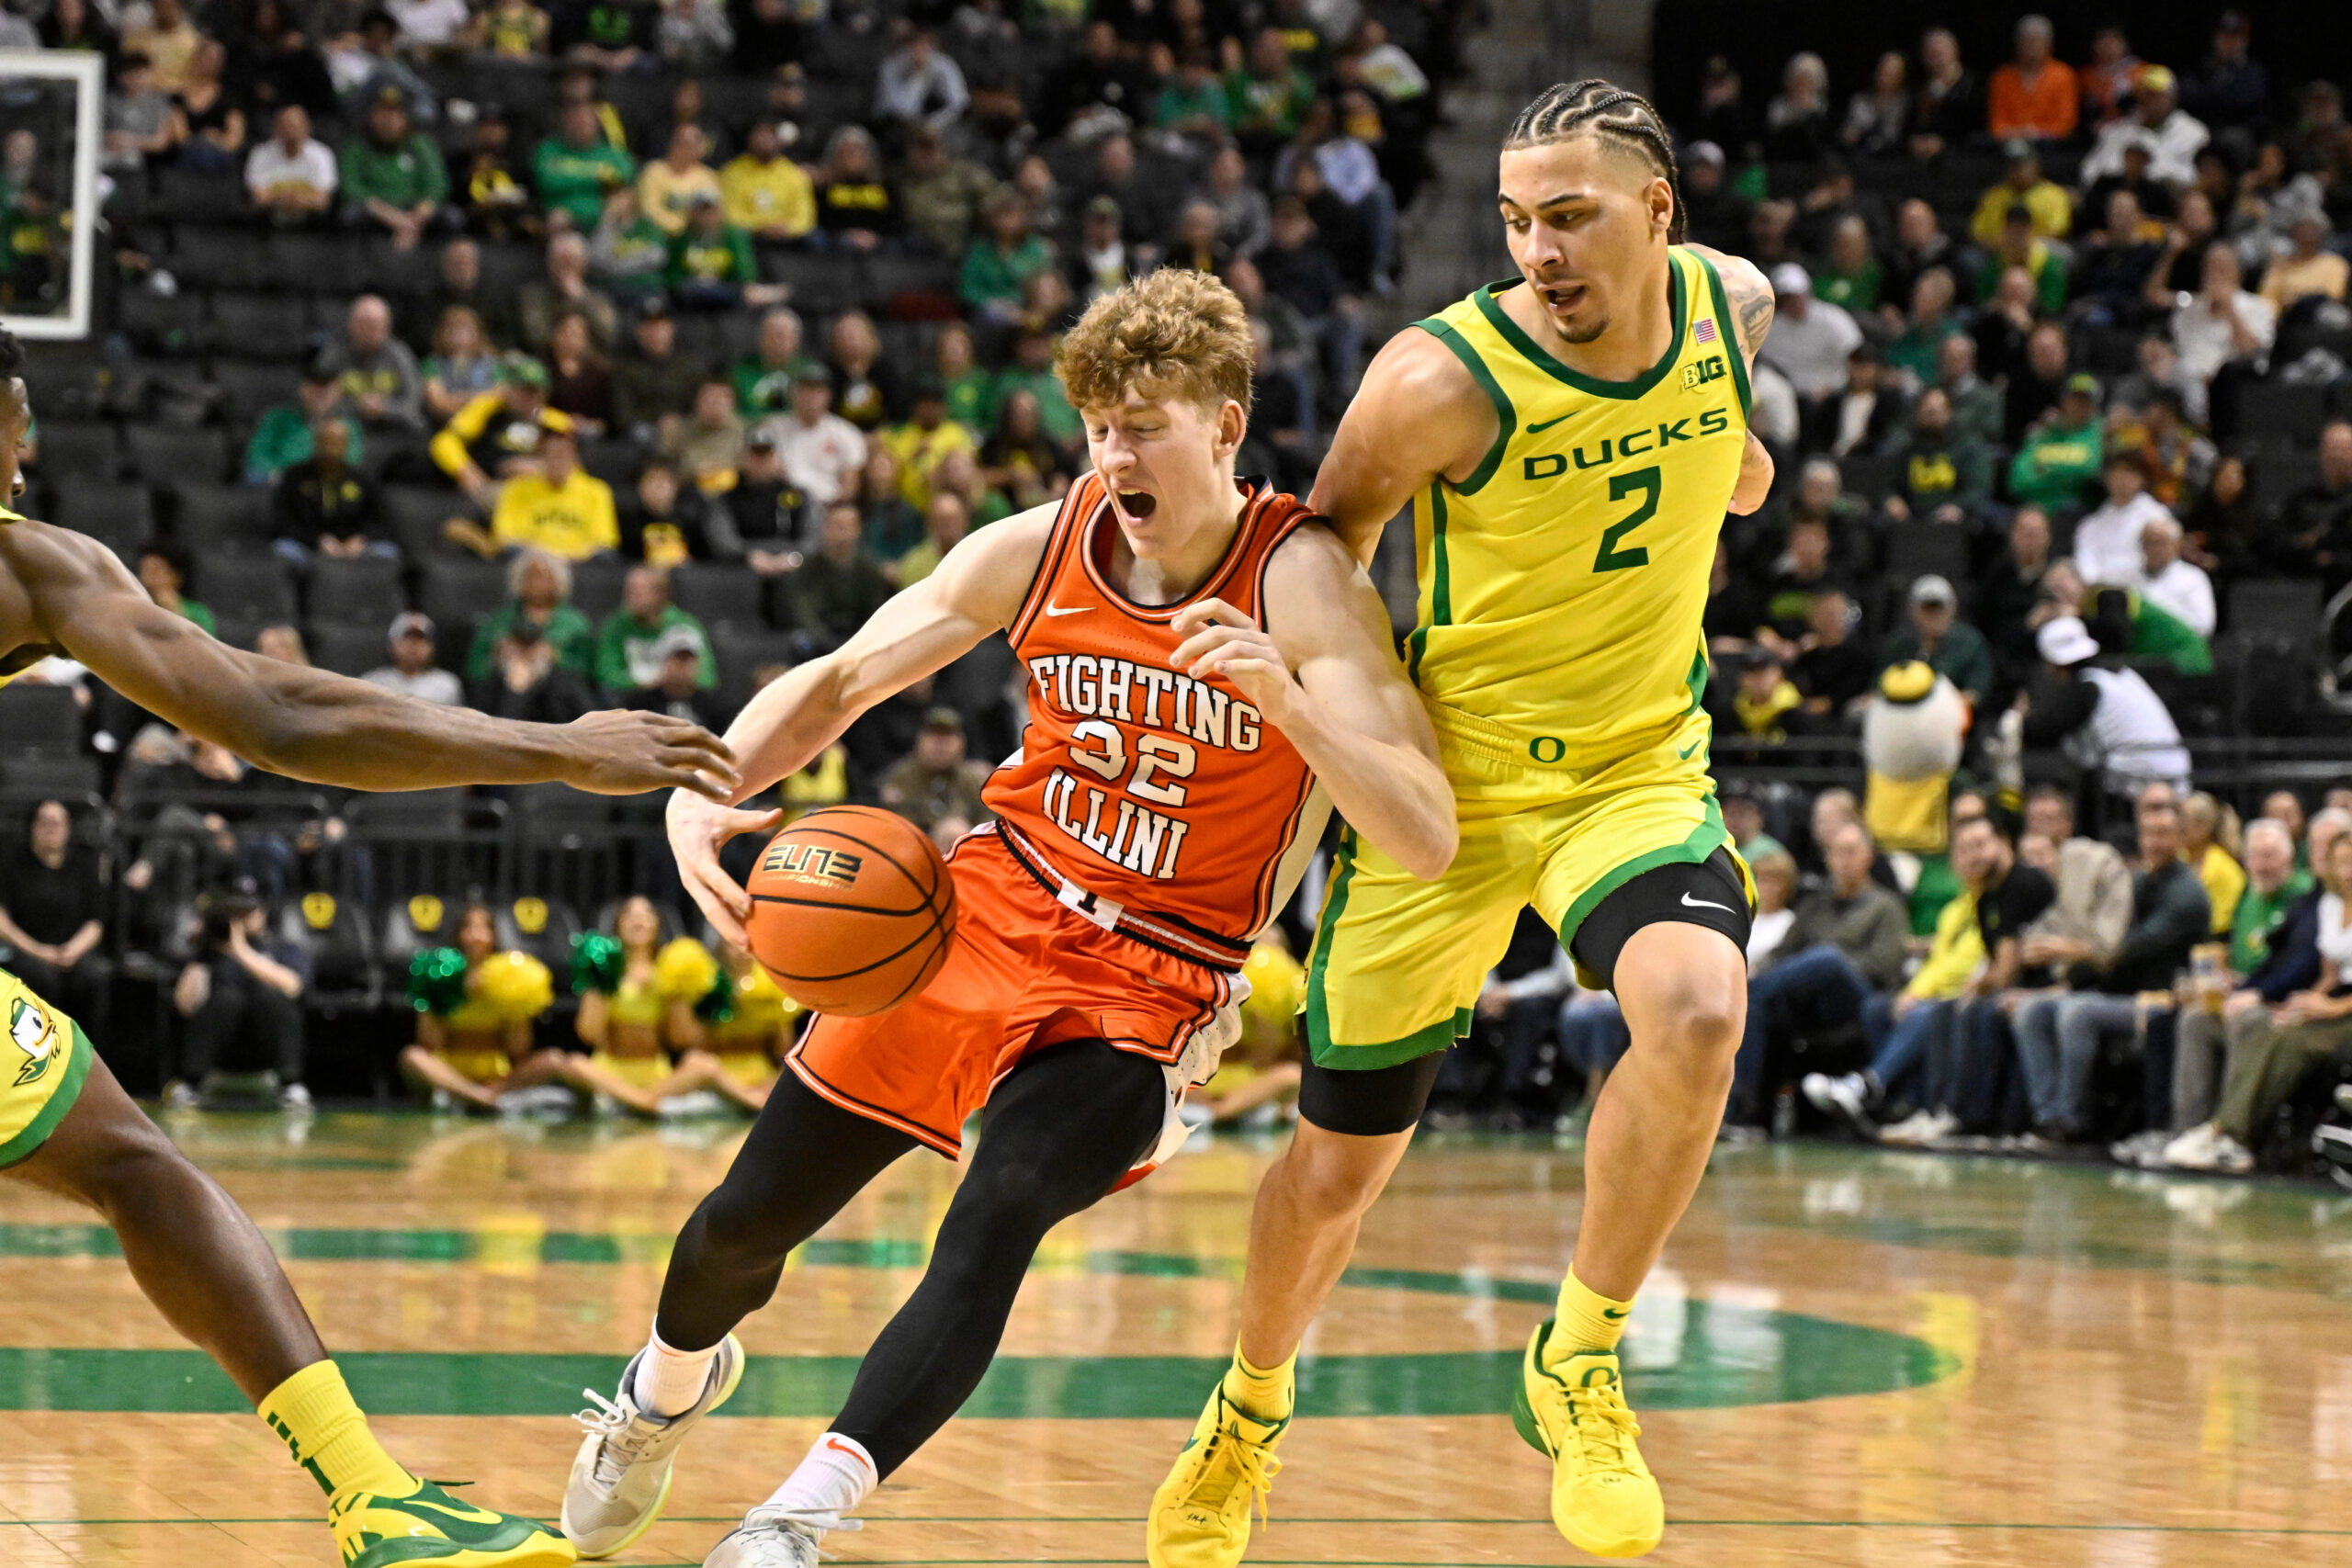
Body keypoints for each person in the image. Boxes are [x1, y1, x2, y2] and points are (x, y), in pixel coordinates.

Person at [570, 268, 1453, 1568]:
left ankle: (793, 1519)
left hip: (1160, 977)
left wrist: (1297, 706)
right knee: (739, 1224)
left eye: (1144, 422)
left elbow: (1426, 832)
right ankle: (662, 1390)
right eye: (1098, 424)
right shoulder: (1041, 544)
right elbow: (843, 676)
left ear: (1224, 421)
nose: (1115, 452)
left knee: (1003, 1203)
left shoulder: (1303, 583)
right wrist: (707, 789)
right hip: (990, 907)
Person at [1148, 81, 1778, 1566]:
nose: (1540, 249)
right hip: (1454, 785)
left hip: (1634, 770)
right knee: (1336, 1170)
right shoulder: (1439, 379)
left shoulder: (1730, 306)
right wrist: (1349, 732)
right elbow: (1331, 550)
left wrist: (1739, 465)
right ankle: (1245, 1412)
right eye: (1516, 221)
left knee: (1694, 1012)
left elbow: (1723, 431)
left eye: (1571, 217)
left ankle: (1580, 1356)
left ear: (1658, 215)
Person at [0, 323, 733, 1568]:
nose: (28, 444)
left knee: (133, 1160)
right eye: (19, 413)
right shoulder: (30, 567)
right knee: (137, 1169)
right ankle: (374, 1498)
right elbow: (277, 709)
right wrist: (557, 744)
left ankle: (377, 1493)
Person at [2011, 787, 2208, 1144]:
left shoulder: (2187, 895)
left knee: (2076, 1014)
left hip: (2159, 1000)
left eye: (2164, 835)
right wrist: (2069, 976)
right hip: (2116, 993)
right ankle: (2047, 1116)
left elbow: (2125, 950)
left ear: (2182, 838)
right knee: (2031, 1010)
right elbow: (2104, 943)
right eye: (2148, 834)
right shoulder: (2139, 881)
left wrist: (2066, 949)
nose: (2153, 843)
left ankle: (2074, 1121)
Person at [2163, 828, 2352, 1175]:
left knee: (2286, 1040)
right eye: (2340, 863)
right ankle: (2211, 1132)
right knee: (2275, 1026)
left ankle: (2229, 1134)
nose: (2346, 871)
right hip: (2335, 1001)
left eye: (2351, 863)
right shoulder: (2330, 903)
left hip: (2347, 1011)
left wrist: (2333, 1008)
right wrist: (2307, 1002)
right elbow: (2330, 972)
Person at [166, 886, 311, 1110]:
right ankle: (192, 1083)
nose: (239, 920)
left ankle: (290, 1085)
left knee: (271, 998)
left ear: (262, 914)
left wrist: (240, 950)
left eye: (247, 912)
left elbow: (292, 987)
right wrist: (203, 954)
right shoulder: (211, 952)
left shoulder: (283, 948)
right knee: (227, 999)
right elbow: (185, 1004)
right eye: (234, 913)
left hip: (265, 1040)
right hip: (223, 1041)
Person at [0, 800, 107, 1027]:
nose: (51, 827)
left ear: (68, 828)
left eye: (58, 822)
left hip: (72, 949)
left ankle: (88, 1055)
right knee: (40, 978)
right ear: (32, 826)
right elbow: (2, 921)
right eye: (45, 821)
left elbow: (95, 922)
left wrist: (72, 950)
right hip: (27, 949)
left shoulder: (83, 867)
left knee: (93, 977)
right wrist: (39, 951)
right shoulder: (12, 864)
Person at [594, 564, 714, 695]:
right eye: (628, 592)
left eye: (638, 592)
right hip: (629, 700)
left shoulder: (685, 626)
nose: (630, 599)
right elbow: (606, 675)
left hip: (675, 698)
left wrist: (677, 681)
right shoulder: (615, 626)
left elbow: (706, 678)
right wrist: (639, 685)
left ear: (660, 593)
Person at [878, 706, 989, 832]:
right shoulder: (900, 778)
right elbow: (895, 825)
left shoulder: (973, 780)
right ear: (919, 740)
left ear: (961, 744)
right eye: (933, 738)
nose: (940, 746)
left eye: (947, 739)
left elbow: (990, 820)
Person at [245, 103, 337, 226]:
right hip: (268, 226)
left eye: (295, 126)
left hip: (313, 228)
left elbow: (323, 201)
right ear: (276, 128)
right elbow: (258, 199)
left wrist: (285, 199)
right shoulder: (260, 154)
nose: (290, 131)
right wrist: (302, 199)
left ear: (307, 127)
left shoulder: (322, 155)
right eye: (285, 125)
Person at [365, 611, 461, 705]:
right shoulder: (372, 682)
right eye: (406, 638)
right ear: (391, 645)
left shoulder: (446, 684)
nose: (413, 645)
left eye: (420, 639)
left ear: (432, 648)